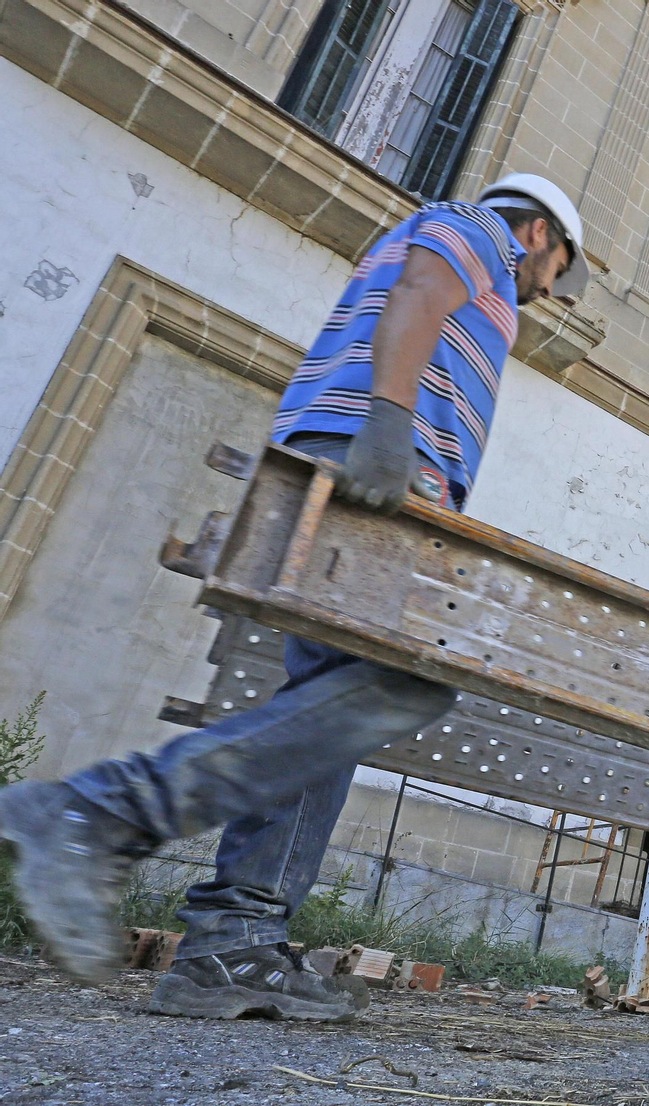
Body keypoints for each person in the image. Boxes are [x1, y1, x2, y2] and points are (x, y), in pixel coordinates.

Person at [0, 173, 589, 1023]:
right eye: (559, 265)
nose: (551, 286)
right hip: (376, 466)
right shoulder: (478, 232)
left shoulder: (489, 264)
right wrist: (388, 424)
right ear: (537, 231)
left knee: (331, 706)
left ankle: (231, 944)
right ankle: (99, 812)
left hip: (375, 465)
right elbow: (422, 290)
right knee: (406, 680)